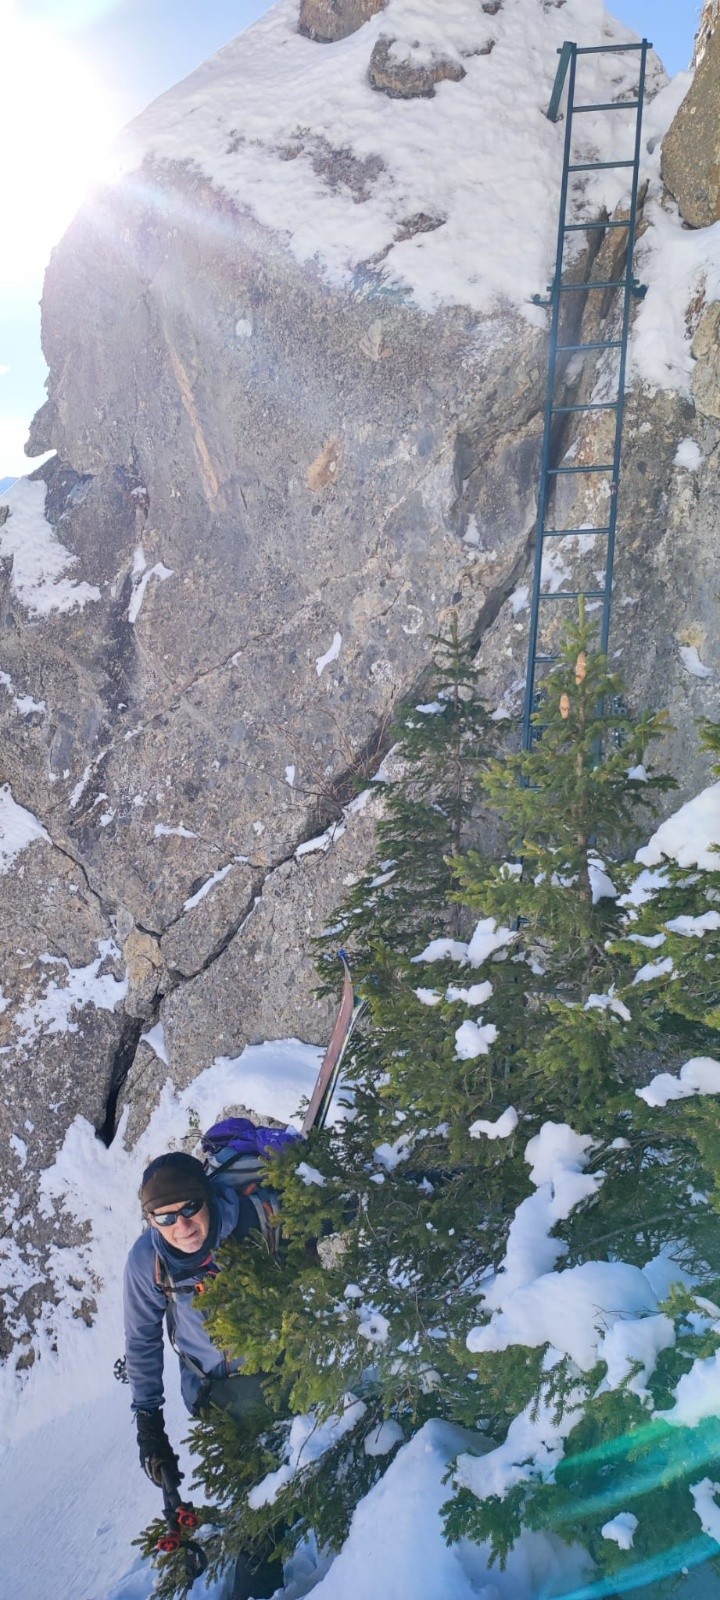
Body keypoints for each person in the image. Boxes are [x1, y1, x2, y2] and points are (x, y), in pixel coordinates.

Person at [123, 1150, 282, 1600]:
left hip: (280, 1373)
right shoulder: (147, 1263)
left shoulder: (258, 1218)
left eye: (190, 1208)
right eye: (165, 1217)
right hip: (214, 1393)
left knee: (265, 1498)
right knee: (258, 1491)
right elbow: (142, 1341)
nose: (182, 1226)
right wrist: (148, 1424)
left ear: (207, 1198)